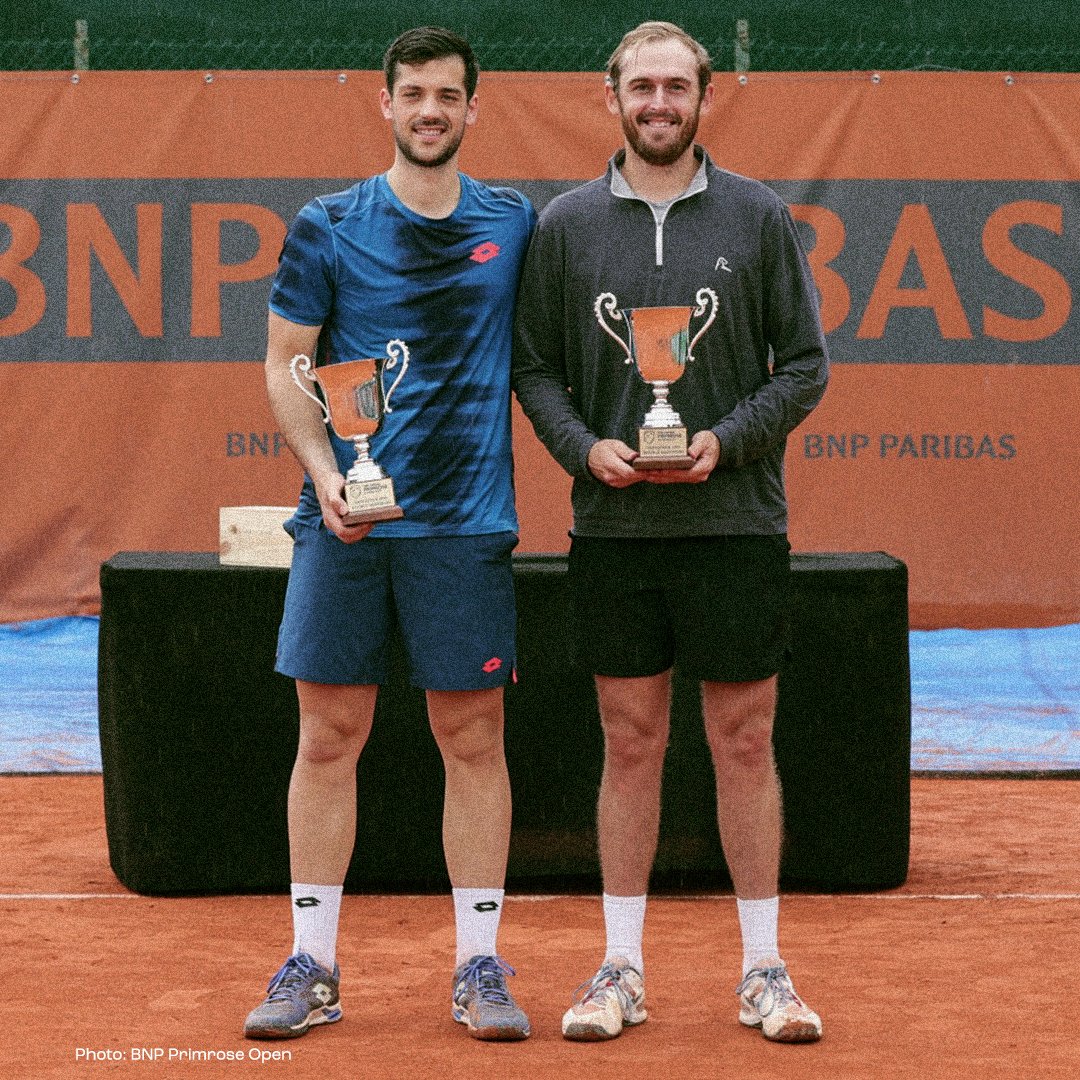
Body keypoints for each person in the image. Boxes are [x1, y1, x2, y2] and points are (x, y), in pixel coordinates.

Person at [512, 21, 828, 1044]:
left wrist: (727, 442)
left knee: (744, 741)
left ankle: (765, 971)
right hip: (613, 525)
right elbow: (535, 371)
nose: (659, 102)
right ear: (610, 97)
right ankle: (620, 968)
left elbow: (805, 365)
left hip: (736, 522)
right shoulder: (562, 227)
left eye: (676, 86)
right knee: (629, 739)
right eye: (641, 86)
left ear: (704, 98)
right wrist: (583, 449)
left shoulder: (761, 216)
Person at [244, 26, 536, 1043]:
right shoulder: (324, 226)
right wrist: (328, 475)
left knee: (473, 737)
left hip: (466, 525)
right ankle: (313, 965)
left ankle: (479, 966)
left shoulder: (514, 221)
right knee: (328, 737)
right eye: (412, 94)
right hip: (348, 527)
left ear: (471, 109)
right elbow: (286, 365)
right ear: (384, 103)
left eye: (447, 96)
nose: (429, 111)